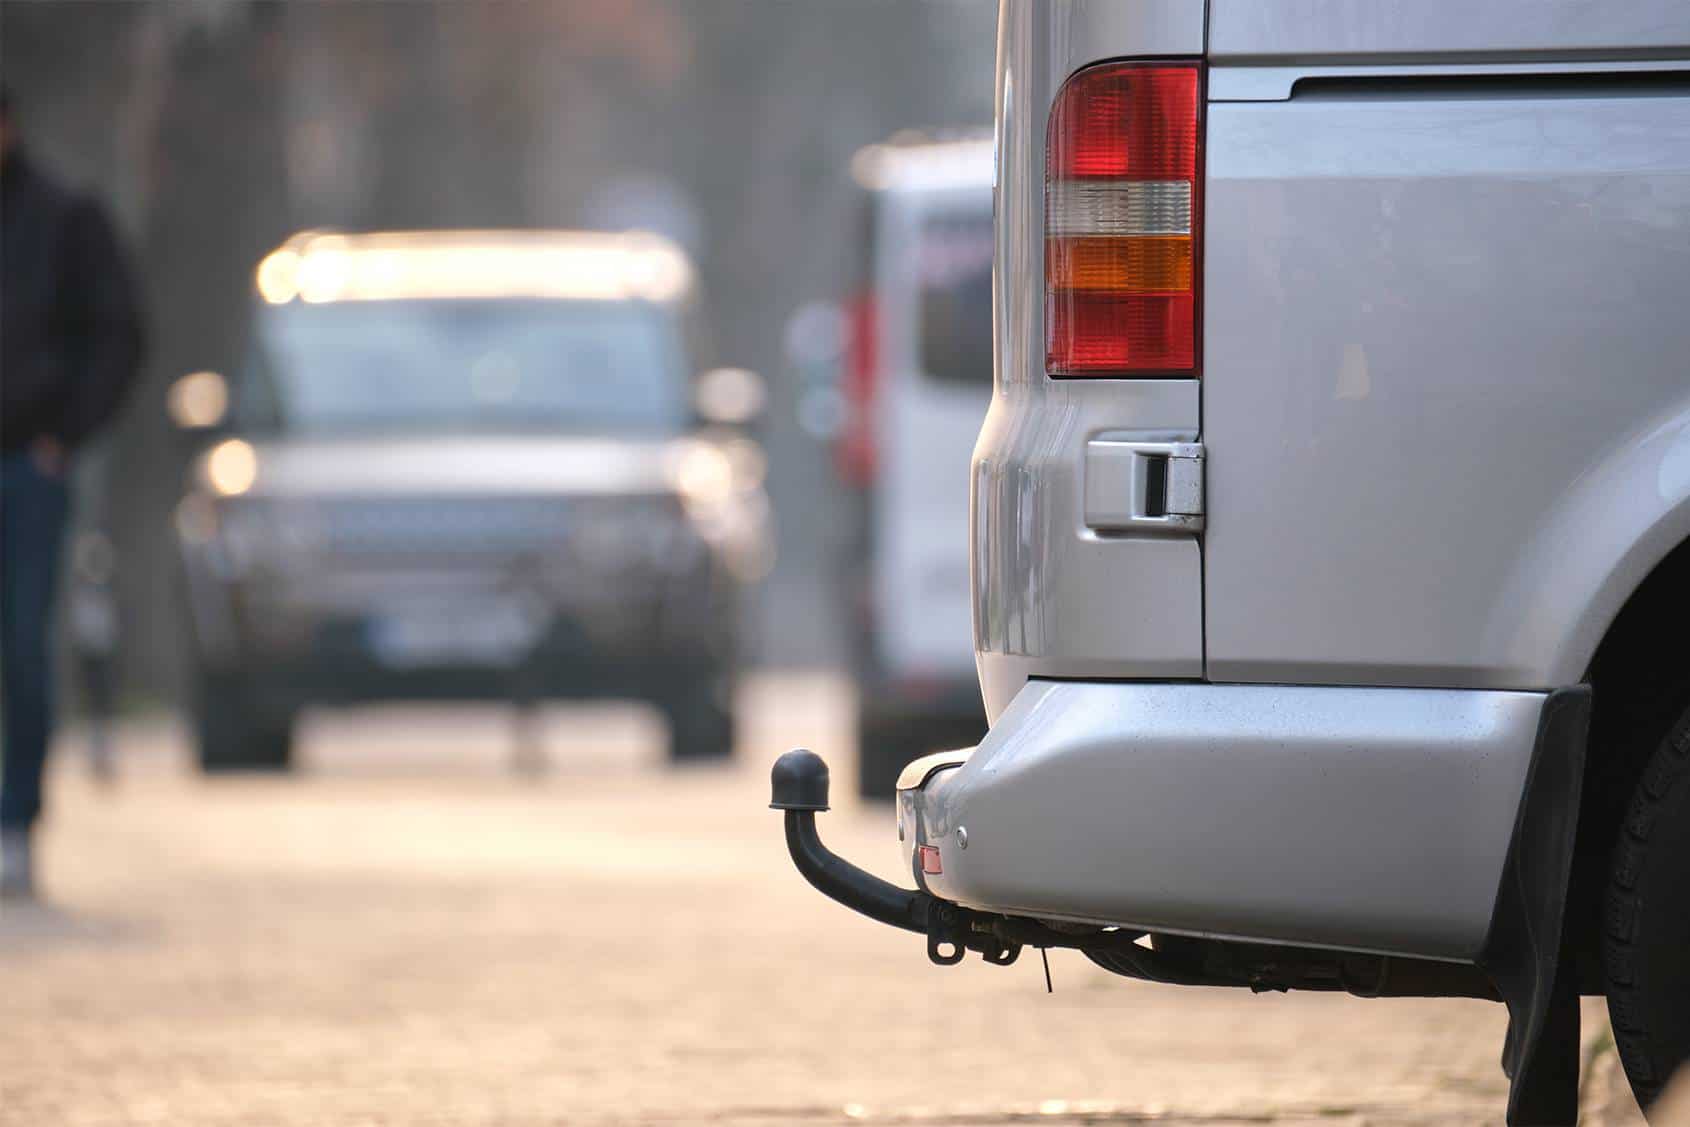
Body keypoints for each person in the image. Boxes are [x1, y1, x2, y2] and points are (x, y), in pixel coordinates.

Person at [1, 86, 144, 900]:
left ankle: (16, 819)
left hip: (29, 463)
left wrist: (67, 434)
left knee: (23, 641)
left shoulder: (65, 219)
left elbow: (119, 332)